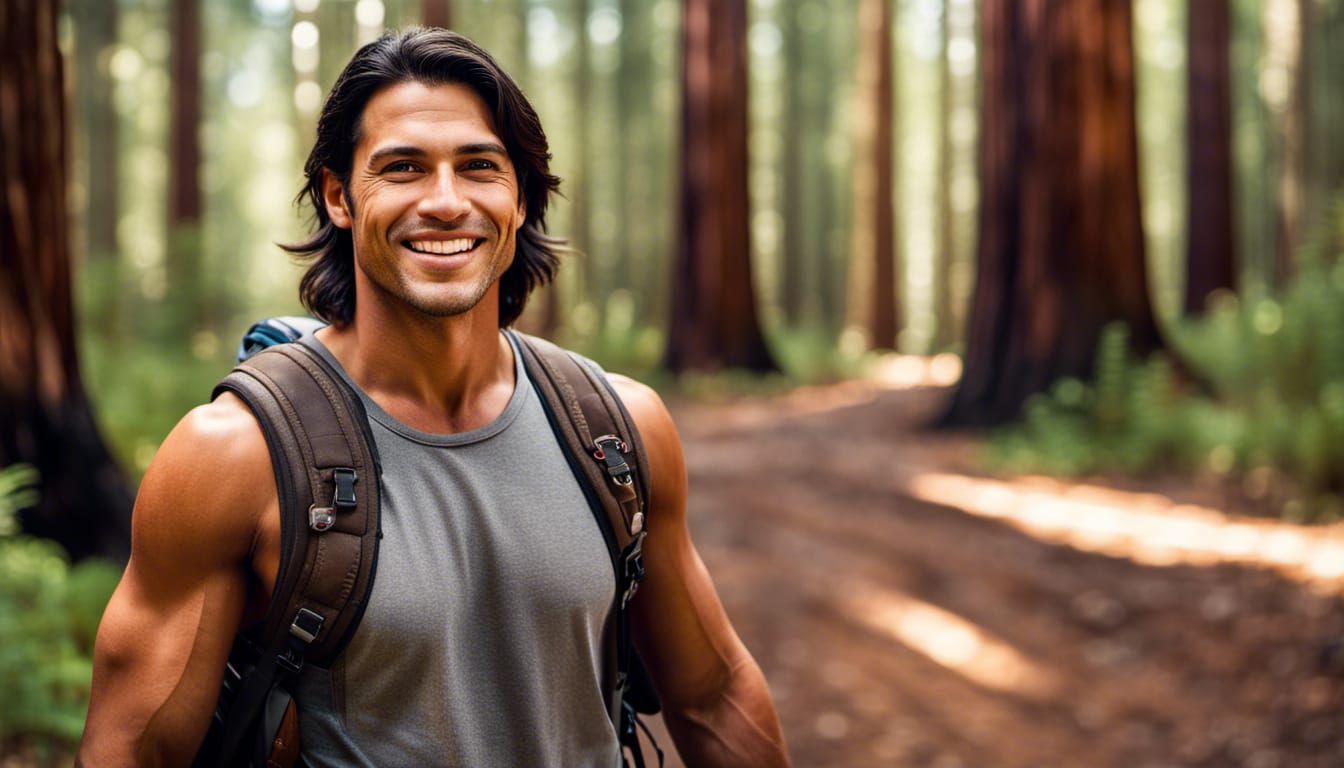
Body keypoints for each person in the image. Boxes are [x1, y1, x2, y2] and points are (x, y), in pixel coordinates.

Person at [78, 27, 788, 768]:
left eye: (479, 166)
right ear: (339, 196)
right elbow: (128, 752)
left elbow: (713, 695)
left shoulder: (617, 429)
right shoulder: (233, 456)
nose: (446, 202)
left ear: (519, 198)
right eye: (403, 168)